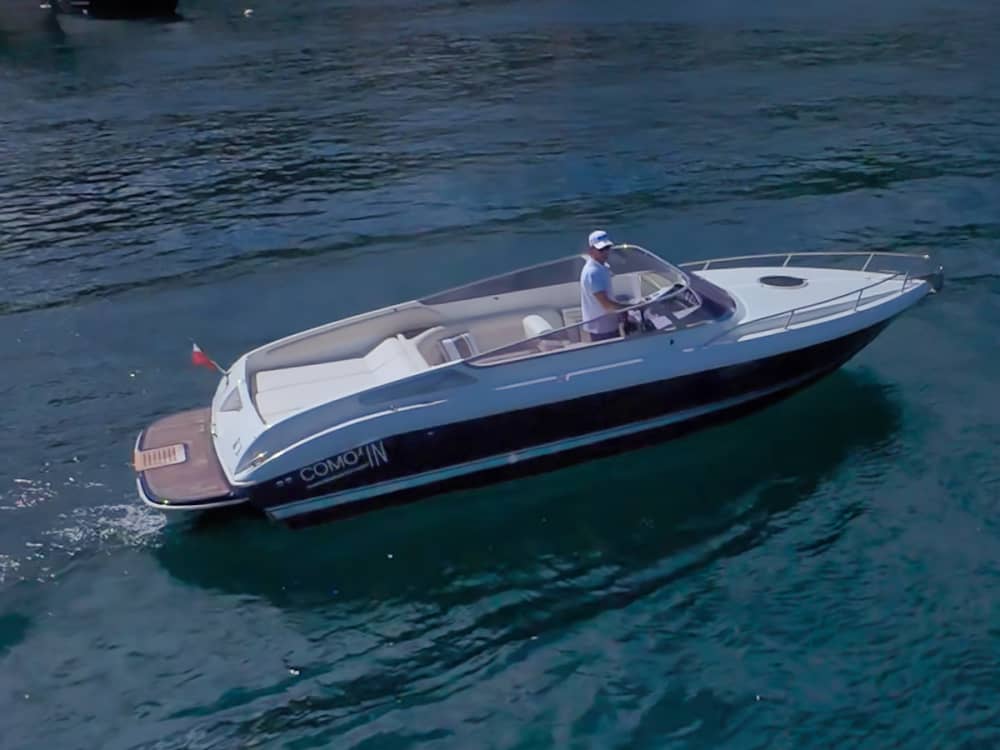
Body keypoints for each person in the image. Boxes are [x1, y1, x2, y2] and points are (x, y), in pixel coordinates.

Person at [580, 229, 628, 341]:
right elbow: (607, 305)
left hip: (608, 324)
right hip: (602, 329)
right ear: (591, 250)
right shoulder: (593, 273)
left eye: (607, 248)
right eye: (601, 249)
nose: (605, 252)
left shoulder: (601, 266)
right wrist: (630, 307)